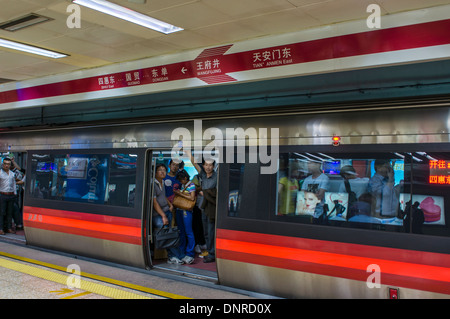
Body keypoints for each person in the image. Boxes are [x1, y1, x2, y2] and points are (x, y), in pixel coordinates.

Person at [187, 150, 217, 263]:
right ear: (203, 166)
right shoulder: (203, 175)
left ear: (213, 166)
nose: (208, 167)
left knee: (211, 231)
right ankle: (210, 252)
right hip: (203, 207)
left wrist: (206, 192)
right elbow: (195, 164)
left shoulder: (216, 177)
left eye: (210, 165)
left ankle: (213, 254)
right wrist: (187, 151)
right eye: (206, 165)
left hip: (212, 208)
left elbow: (217, 193)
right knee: (205, 232)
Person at [152, 163, 185, 264]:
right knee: (167, 236)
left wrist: (170, 204)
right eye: (160, 170)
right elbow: (154, 202)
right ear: (155, 172)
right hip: (159, 214)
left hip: (167, 210)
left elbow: (163, 196)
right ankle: (172, 256)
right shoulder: (153, 184)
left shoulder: (162, 182)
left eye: (164, 170)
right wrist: (163, 216)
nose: (162, 172)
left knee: (170, 234)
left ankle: (177, 255)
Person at [173, 170, 196, 264]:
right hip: (179, 210)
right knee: (181, 231)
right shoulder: (182, 185)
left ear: (185, 178)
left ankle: (190, 253)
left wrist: (180, 193)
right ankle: (182, 251)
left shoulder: (191, 185)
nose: (180, 182)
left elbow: (192, 198)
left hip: (187, 211)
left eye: (181, 180)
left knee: (189, 232)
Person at [0, 158, 23, 235]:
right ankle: (1, 228)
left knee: (9, 212)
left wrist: (14, 194)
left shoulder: (12, 174)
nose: (6, 165)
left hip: (11, 195)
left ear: (10, 165)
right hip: (2, 194)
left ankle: (9, 228)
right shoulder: (0, 173)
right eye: (5, 164)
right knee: (2, 212)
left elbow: (13, 184)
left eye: (8, 164)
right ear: (3, 164)